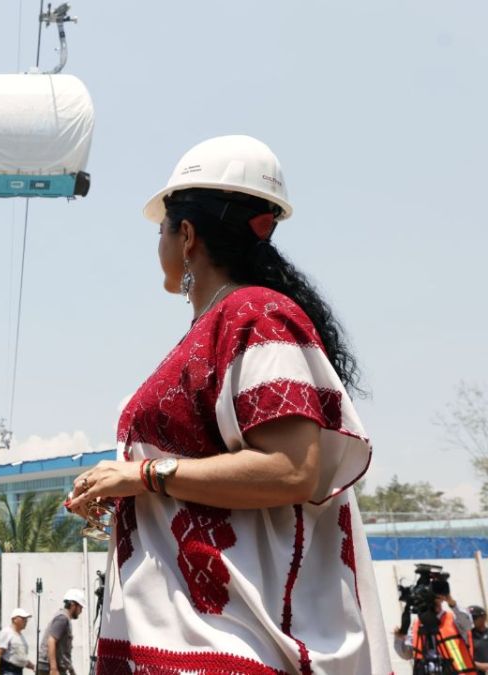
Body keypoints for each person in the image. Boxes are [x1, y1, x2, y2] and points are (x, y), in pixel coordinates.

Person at [65, 134, 389, 672]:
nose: (159, 246)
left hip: (229, 643)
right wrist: (122, 488)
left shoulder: (255, 313)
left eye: (161, 232)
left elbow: (290, 470)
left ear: (186, 234)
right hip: (191, 638)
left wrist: (141, 476)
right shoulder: (222, 322)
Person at [394, 584, 474, 671]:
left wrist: (452, 602)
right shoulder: (417, 625)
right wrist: (401, 635)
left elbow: (468, 624)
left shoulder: (453, 619)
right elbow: (406, 654)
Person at [35, 590, 82, 675]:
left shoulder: (64, 618)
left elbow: (63, 652)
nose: (81, 611)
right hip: (48, 667)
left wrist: (71, 671)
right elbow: (51, 641)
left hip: (53, 667)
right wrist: (53, 669)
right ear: (73, 605)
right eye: (80, 607)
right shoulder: (62, 618)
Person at [0, 608, 33, 675]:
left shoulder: (20, 636)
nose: (26, 621)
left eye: (26, 619)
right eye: (23, 618)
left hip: (18, 671)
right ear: (14, 619)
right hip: (8, 671)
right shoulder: (7, 632)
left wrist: (32, 666)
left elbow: (19, 656)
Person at [469, 606, 488, 673]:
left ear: (484, 617)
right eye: (470, 618)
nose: (472, 621)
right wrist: (477, 665)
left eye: (474, 618)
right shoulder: (468, 635)